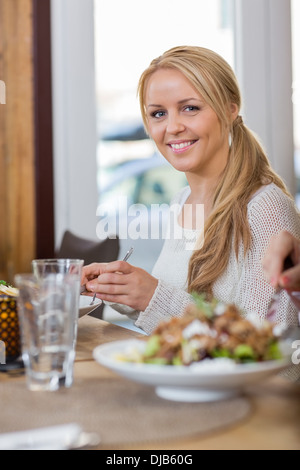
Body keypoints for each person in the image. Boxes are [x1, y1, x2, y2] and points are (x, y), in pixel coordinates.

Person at [81, 46, 300, 336]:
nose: (172, 127)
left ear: (230, 109)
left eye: (190, 108)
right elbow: (178, 318)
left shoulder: (265, 208)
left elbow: (272, 346)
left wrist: (153, 295)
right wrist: (124, 289)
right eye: (158, 113)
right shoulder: (182, 201)